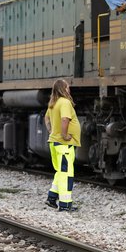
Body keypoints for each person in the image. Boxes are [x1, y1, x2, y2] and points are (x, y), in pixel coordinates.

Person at [44, 79, 81, 212]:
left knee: (61, 171)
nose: (69, 89)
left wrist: (52, 131)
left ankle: (52, 198)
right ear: (63, 88)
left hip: (55, 143)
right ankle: (65, 205)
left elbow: (46, 118)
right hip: (64, 145)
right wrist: (64, 135)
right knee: (66, 174)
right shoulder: (65, 102)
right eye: (68, 87)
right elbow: (65, 119)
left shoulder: (53, 103)